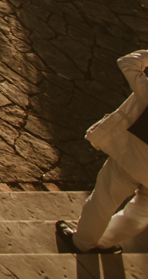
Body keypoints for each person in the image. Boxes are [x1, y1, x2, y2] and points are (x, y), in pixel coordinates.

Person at [61, 49, 148, 256]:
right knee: (141, 213)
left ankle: (82, 243)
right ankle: (106, 242)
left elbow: (127, 62)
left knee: (103, 200)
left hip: (132, 158)